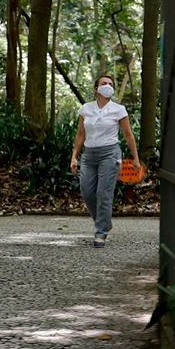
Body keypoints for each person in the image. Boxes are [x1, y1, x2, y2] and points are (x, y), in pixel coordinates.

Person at [69, 74, 140, 247]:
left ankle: (100, 232)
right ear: (96, 89)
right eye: (103, 83)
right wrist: (74, 156)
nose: (107, 85)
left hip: (110, 154)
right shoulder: (86, 109)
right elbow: (80, 134)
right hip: (89, 155)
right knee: (87, 191)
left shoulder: (118, 109)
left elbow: (128, 135)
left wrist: (136, 158)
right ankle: (105, 222)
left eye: (110, 83)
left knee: (104, 194)